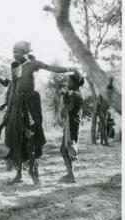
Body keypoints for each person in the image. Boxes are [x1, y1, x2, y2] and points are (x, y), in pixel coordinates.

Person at [5, 41, 77, 185]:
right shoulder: (15, 68)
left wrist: (69, 68)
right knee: (16, 138)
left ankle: (34, 172)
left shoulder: (33, 64)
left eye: (17, 52)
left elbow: (50, 68)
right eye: (13, 52)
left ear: (25, 52)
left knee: (31, 137)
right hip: (17, 105)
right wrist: (9, 109)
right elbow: (13, 89)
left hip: (30, 104)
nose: (14, 55)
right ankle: (18, 174)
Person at [59, 72, 85, 183]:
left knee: (66, 148)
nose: (67, 83)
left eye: (69, 82)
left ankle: (71, 175)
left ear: (75, 83)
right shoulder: (75, 94)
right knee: (67, 147)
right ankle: (70, 174)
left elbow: (69, 109)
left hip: (72, 124)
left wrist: (65, 96)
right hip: (72, 123)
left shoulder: (75, 95)